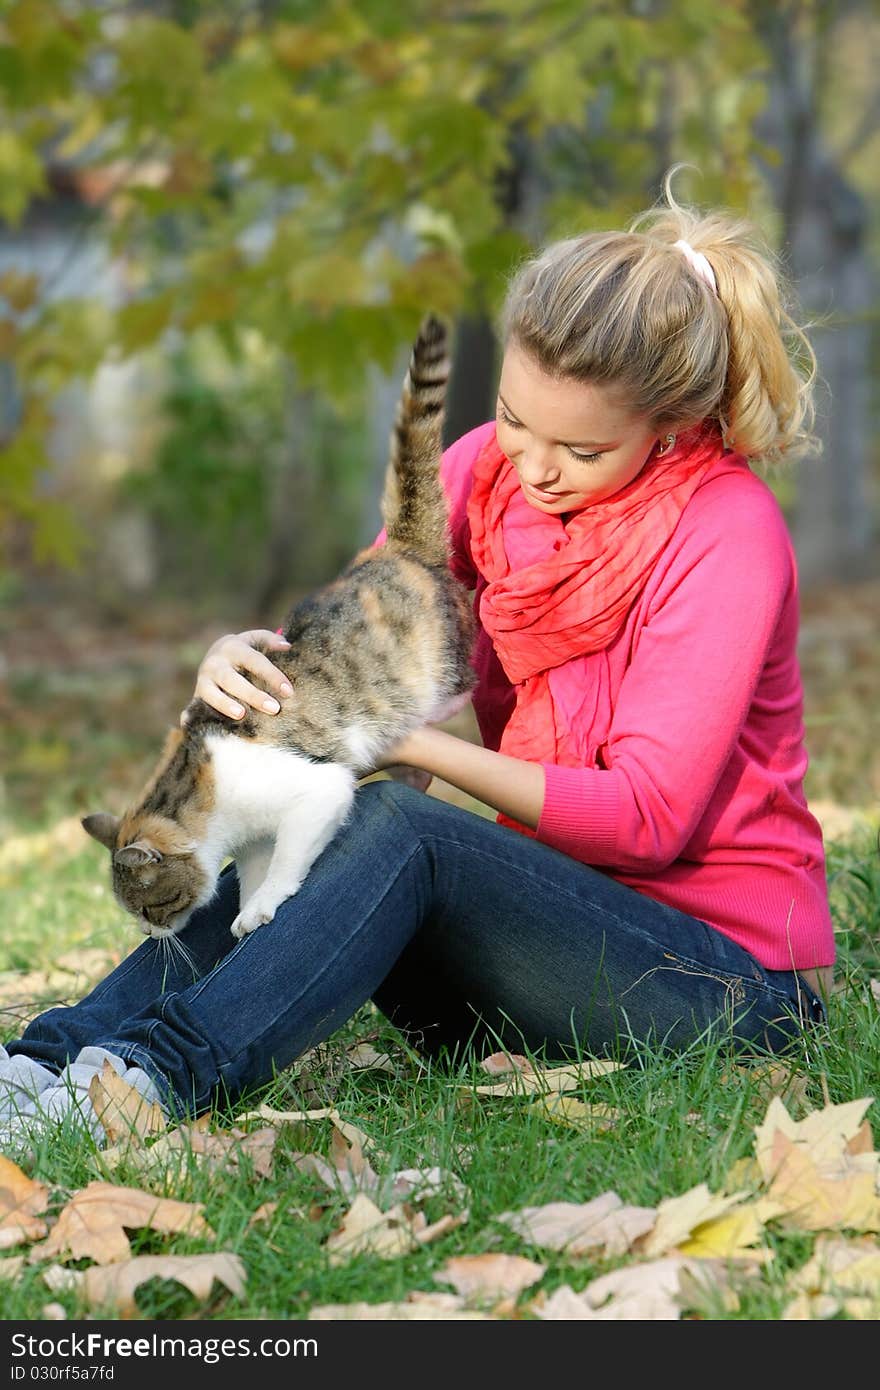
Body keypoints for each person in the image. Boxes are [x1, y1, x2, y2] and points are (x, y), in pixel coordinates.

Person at [1, 178, 835, 1149]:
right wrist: (237, 668)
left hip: (721, 984)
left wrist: (418, 751)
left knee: (401, 819)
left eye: (580, 446)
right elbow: (350, 651)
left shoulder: (724, 530)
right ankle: (45, 1062)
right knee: (314, 802)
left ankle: (144, 1083)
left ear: (669, 425)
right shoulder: (483, 475)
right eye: (516, 418)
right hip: (537, 952)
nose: (533, 464)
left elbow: (647, 819)